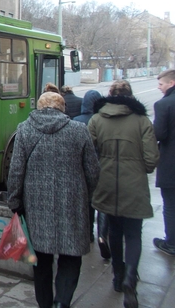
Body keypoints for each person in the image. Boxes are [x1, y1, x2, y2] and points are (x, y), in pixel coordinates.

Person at [8, 92, 99, 308]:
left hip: (37, 206)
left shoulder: (25, 129)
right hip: (72, 204)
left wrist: (14, 202)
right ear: (63, 108)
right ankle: (62, 302)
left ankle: (46, 304)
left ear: (39, 107)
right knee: (71, 256)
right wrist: (86, 194)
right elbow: (93, 171)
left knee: (41, 261)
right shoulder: (79, 130)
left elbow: (16, 171)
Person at [88, 80, 159, 308]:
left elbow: (89, 153)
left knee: (114, 232)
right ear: (131, 96)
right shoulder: (142, 121)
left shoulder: (97, 119)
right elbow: (151, 159)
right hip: (134, 184)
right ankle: (130, 276)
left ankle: (117, 277)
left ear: (109, 94)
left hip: (106, 183)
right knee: (134, 234)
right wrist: (139, 168)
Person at [73, 89, 110, 258]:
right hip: (102, 166)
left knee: (86, 202)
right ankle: (102, 234)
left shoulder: (77, 121)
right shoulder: (103, 121)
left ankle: (87, 233)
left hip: (81, 168)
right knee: (101, 203)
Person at [152, 69, 175, 256]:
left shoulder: (164, 104)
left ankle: (171, 243)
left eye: (161, 84)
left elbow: (159, 134)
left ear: (171, 83)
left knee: (170, 204)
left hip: (171, 163)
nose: (159, 88)